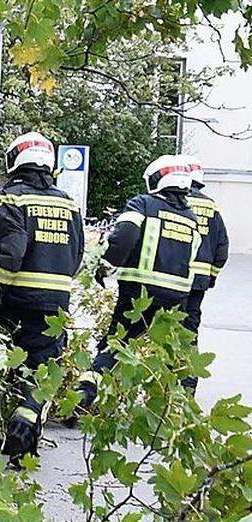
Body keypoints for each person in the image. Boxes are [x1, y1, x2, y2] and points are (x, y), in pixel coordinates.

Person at [0, 132, 84, 466]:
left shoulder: (10, 200)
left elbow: (10, 253)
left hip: (17, 300)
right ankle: (25, 439)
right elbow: (78, 253)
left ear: (14, 161)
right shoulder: (68, 202)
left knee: (10, 369)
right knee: (42, 373)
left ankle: (9, 434)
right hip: (56, 304)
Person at [75, 155, 201, 412]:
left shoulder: (142, 204)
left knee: (117, 342)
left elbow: (124, 237)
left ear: (156, 180)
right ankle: (177, 405)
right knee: (169, 352)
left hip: (139, 290)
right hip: (177, 297)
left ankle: (85, 393)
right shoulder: (190, 217)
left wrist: (106, 265)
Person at [180, 155, 230, 392]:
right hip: (197, 283)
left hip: (173, 279)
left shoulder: (172, 202)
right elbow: (222, 249)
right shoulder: (212, 207)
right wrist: (211, 276)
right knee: (189, 332)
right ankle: (187, 388)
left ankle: (161, 385)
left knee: (158, 330)